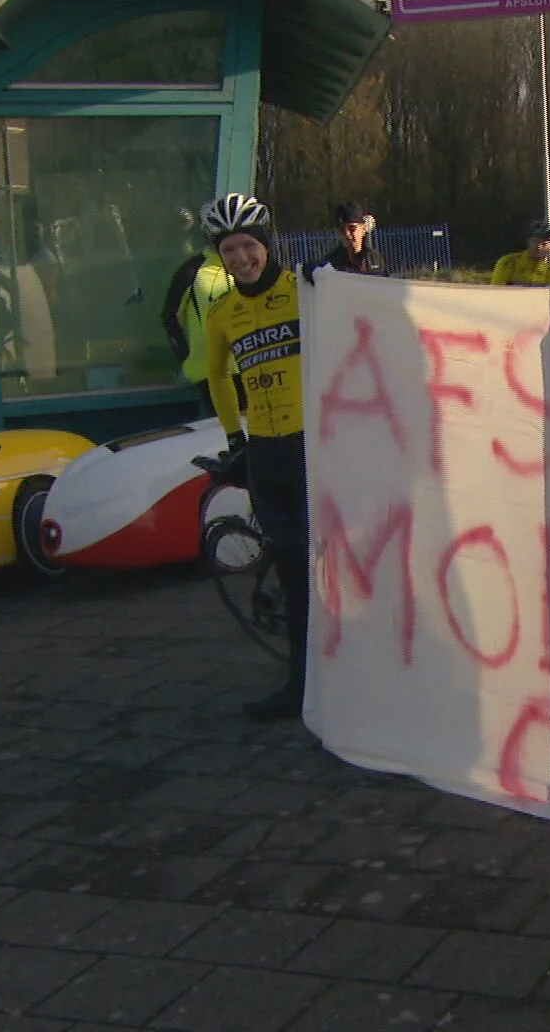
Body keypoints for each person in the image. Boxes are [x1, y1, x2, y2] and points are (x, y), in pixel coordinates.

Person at [200, 195, 315, 722]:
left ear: (267, 245)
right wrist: (234, 438)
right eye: (230, 250)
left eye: (249, 245)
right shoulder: (223, 313)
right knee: (293, 573)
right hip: (269, 450)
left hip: (318, 443)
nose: (242, 257)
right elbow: (218, 374)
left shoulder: (305, 291)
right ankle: (302, 684)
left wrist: (333, 280)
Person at [160, 202, 236, 415]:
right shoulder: (191, 271)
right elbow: (169, 317)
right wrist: (187, 360)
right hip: (211, 375)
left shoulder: (252, 266)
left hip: (254, 368)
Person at [307, 201, 387, 278]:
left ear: (363, 228)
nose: (347, 233)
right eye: (342, 229)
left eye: (352, 228)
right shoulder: (331, 265)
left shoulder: (374, 258)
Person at [491, 220, 550, 286]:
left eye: (544, 243)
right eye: (535, 241)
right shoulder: (509, 262)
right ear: (528, 242)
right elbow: (496, 291)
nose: (539, 247)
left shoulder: (549, 270)